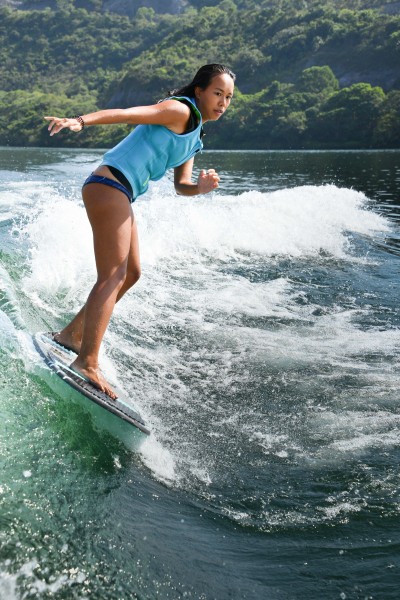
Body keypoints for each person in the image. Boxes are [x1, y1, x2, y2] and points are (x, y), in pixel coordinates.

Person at [44, 63, 235, 399]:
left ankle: (72, 335)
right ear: (200, 91)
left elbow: (182, 185)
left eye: (229, 97)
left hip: (121, 192)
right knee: (113, 275)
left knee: (131, 273)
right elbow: (127, 114)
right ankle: (87, 361)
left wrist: (200, 188)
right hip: (109, 184)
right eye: (217, 93)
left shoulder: (195, 137)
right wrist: (81, 121)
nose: (223, 102)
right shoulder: (179, 110)